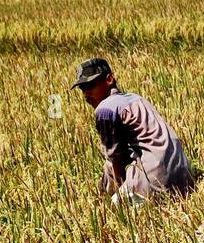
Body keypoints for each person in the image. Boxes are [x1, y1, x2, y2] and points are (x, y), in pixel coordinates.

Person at [71, 57, 195, 204]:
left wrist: (110, 193)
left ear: (109, 80)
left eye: (91, 86)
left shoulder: (104, 110)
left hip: (155, 179)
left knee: (114, 210)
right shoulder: (137, 99)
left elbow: (115, 159)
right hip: (186, 179)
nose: (86, 94)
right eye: (83, 89)